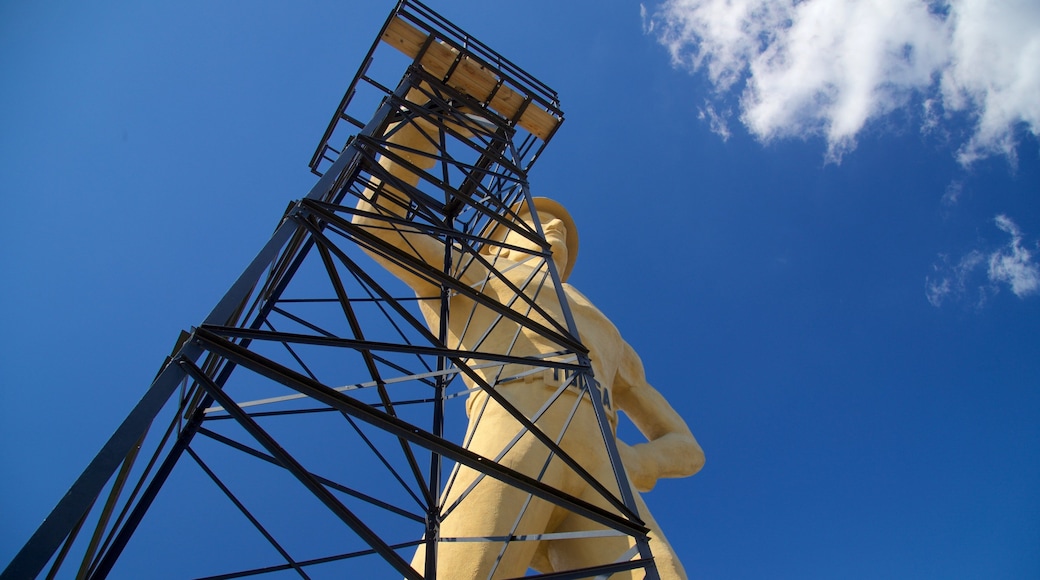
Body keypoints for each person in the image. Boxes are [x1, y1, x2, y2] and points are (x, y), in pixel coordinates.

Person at [351, 115, 704, 579]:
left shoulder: (608, 334)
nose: (555, 227)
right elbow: (377, 222)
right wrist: (421, 114)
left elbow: (684, 446)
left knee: (661, 574)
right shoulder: (474, 275)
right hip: (511, 438)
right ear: (497, 240)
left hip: (602, 469)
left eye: (560, 227)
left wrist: (636, 459)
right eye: (537, 220)